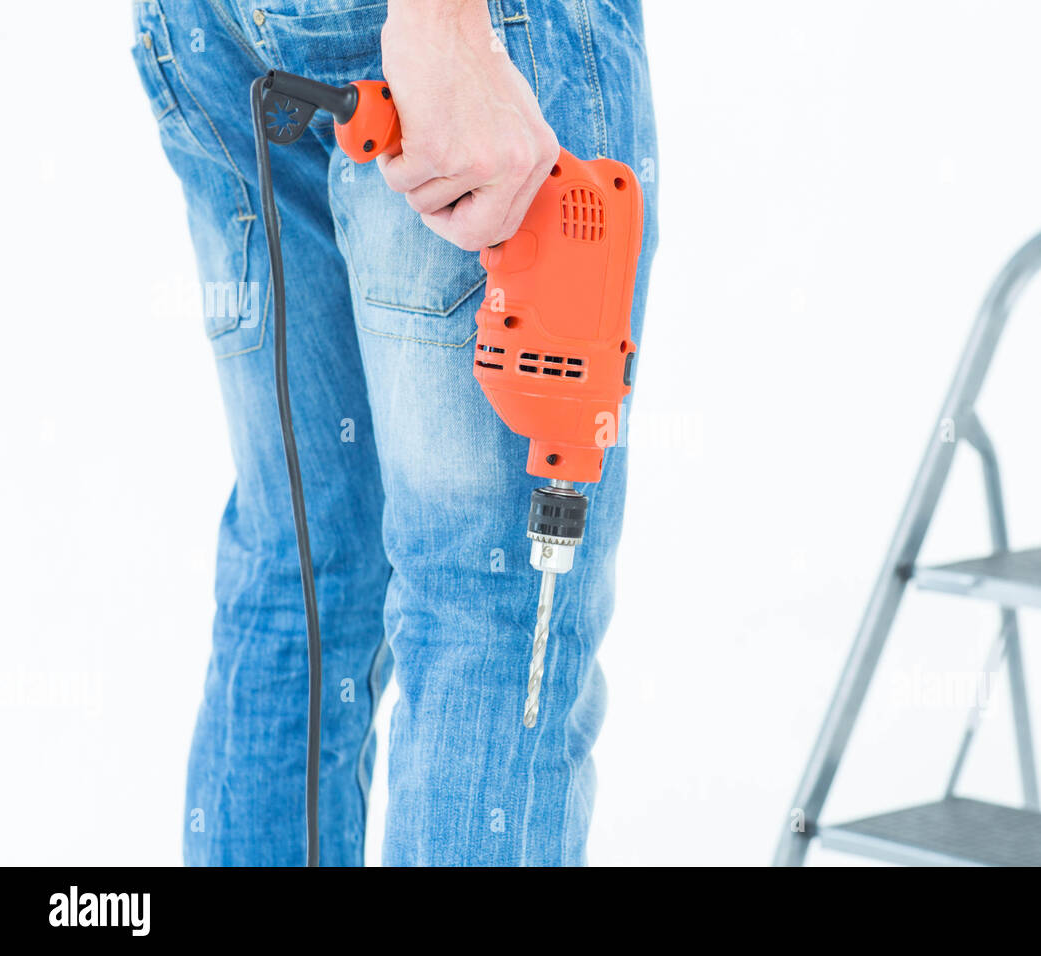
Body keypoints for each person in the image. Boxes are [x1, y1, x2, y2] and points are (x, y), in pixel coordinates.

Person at [129, 0, 656, 866]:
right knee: (486, 612)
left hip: (208, 30)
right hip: (448, 37)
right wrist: (443, 23)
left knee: (299, 564)